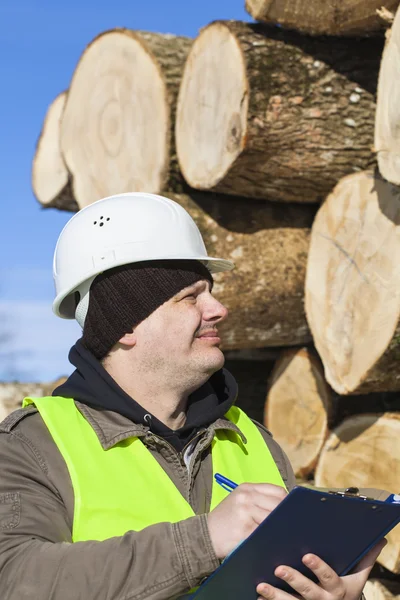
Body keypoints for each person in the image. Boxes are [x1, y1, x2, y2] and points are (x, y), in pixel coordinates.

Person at [0, 192, 385, 599]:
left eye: (210, 292)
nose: (218, 308)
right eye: (190, 297)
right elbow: (15, 578)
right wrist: (203, 541)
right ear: (125, 324)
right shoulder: (33, 445)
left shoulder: (250, 438)